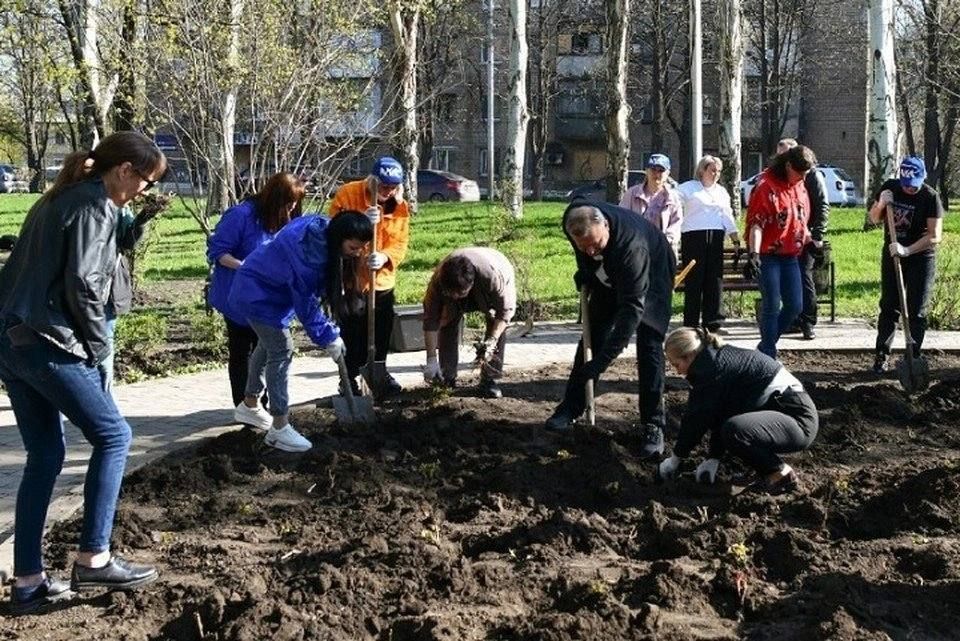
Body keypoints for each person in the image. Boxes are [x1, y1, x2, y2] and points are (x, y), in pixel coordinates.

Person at [0, 132, 167, 614]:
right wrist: (96, 349)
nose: (144, 193)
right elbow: (85, 287)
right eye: (145, 182)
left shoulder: (58, 199)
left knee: (46, 454)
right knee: (115, 435)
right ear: (124, 171)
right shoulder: (96, 207)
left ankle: (28, 581)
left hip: (12, 338)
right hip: (47, 341)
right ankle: (95, 556)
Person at [228, 213, 372, 452]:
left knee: (267, 346)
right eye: (353, 247)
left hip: (267, 290)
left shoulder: (319, 228)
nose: (357, 253)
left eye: (361, 247)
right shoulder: (309, 260)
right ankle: (279, 428)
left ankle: (249, 405)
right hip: (257, 295)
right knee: (282, 350)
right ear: (338, 238)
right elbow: (306, 306)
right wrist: (328, 337)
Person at [545, 201, 676, 459]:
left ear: (605, 225)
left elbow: (632, 311)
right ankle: (570, 408)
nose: (591, 250)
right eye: (585, 247)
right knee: (591, 336)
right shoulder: (573, 220)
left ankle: (653, 424)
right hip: (610, 271)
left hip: (654, 271)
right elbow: (587, 250)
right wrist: (586, 270)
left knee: (649, 343)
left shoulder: (632, 249)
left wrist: (603, 361)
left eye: (596, 244)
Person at [657, 327, 818, 493]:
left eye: (677, 364)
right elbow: (723, 412)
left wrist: (676, 459)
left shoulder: (711, 369)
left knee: (736, 431)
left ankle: (780, 473)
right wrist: (713, 458)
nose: (677, 371)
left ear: (689, 355)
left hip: (798, 421)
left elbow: (696, 418)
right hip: (786, 415)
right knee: (733, 428)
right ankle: (765, 471)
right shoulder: (715, 359)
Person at [207, 172, 306, 428]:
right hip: (237, 295)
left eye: (295, 203)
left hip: (267, 298)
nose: (292, 208)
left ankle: (256, 404)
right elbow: (218, 252)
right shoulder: (241, 216)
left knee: (266, 348)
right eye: (287, 203)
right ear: (274, 198)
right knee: (244, 350)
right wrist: (247, 267)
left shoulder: (287, 218)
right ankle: (245, 406)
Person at [328, 157, 410, 396]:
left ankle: (378, 374)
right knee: (352, 332)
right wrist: (361, 219)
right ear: (372, 182)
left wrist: (385, 256)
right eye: (384, 187)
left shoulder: (400, 206)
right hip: (351, 278)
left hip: (381, 279)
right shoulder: (348, 194)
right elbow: (333, 230)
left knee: (382, 331)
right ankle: (350, 378)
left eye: (393, 187)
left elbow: (400, 241)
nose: (388, 192)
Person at [866, 156, 943, 374]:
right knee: (889, 306)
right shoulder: (890, 188)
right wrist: (881, 203)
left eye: (914, 185)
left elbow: (935, 235)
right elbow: (873, 218)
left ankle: (913, 356)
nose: (909, 189)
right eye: (906, 185)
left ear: (922, 178)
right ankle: (882, 355)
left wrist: (907, 249)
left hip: (921, 256)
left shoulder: (930, 197)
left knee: (917, 309)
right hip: (892, 253)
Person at [745, 145, 816, 359]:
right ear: (787, 165)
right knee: (772, 304)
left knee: (795, 305)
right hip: (768, 255)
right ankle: (768, 352)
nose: (802, 178)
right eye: (799, 173)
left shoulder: (800, 186)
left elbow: (799, 220)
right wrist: (753, 254)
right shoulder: (766, 186)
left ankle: (766, 345)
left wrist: (810, 241)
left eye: (806, 174)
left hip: (790, 255)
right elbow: (757, 223)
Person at [422, 247, 516, 399]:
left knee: (496, 325)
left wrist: (491, 341)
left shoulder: (493, 277)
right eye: (451, 293)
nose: (455, 297)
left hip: (495, 270)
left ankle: (489, 379)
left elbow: (504, 313)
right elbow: (430, 319)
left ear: (471, 284)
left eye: (459, 294)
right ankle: (447, 377)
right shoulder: (439, 280)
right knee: (447, 321)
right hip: (456, 284)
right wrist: (431, 359)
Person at [677, 155, 741, 332]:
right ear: (702, 170)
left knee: (714, 280)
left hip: (715, 238)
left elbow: (727, 216)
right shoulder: (689, 188)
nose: (716, 174)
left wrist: (735, 239)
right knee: (694, 280)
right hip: (693, 237)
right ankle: (691, 323)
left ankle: (712, 322)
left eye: (718, 171)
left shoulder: (721, 192)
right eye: (712, 170)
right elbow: (672, 201)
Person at [776, 138, 829, 340]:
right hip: (785, 237)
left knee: (803, 276)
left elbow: (822, 205)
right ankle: (793, 318)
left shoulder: (812, 175)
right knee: (788, 278)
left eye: (787, 155)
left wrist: (817, 234)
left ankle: (808, 321)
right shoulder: (780, 176)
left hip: (806, 236)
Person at [619, 153, 683, 259]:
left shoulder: (673, 198)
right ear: (646, 171)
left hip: (663, 250)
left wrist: (664, 242)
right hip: (636, 249)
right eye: (653, 169)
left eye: (661, 170)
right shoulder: (632, 193)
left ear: (668, 173)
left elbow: (676, 224)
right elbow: (622, 219)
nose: (656, 174)